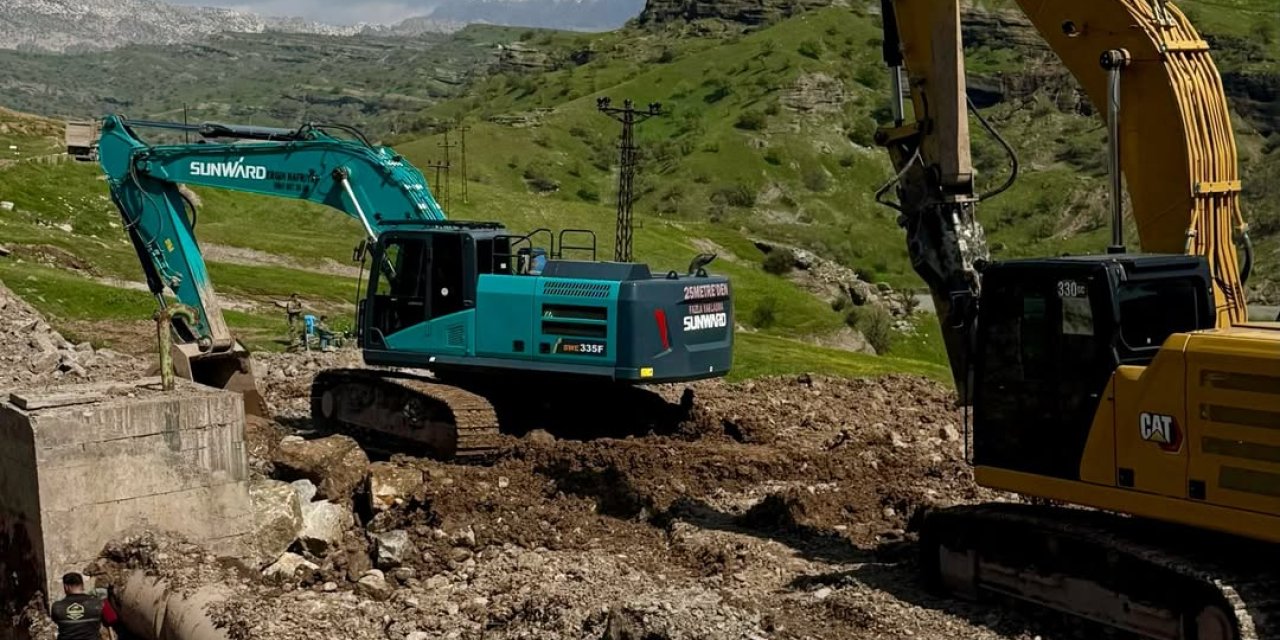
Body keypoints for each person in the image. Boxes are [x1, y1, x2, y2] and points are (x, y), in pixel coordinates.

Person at [49, 573, 117, 640]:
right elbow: (112, 619)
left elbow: (56, 620)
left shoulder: (57, 607)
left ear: (66, 587)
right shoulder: (99, 603)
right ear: (82, 585)